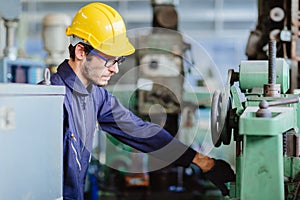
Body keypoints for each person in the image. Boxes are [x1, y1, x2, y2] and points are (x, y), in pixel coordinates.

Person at [49, 2, 235, 200]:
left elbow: (141, 131)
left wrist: (202, 161)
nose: (115, 69)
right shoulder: (51, 100)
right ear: (80, 52)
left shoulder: (95, 96)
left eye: (118, 61)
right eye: (110, 60)